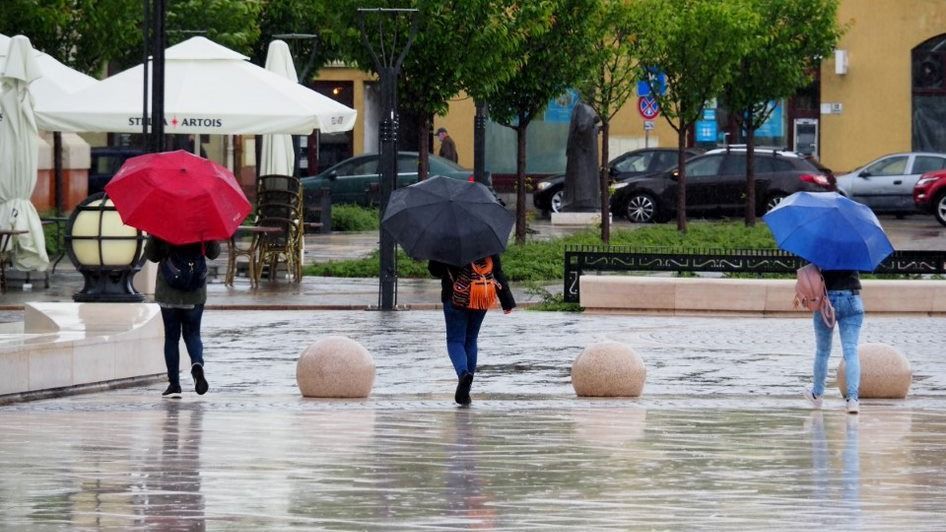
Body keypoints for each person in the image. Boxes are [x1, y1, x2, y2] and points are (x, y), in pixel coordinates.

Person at [429, 254, 515, 406]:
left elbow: (435, 270)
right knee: (471, 339)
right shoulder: (487, 238)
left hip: (455, 297)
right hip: (481, 294)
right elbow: (497, 271)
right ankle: (466, 389)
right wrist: (507, 301)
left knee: (455, 340)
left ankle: (463, 374)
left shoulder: (448, 240)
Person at [145, 236, 221, 398]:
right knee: (193, 334)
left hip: (168, 291)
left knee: (172, 338)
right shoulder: (203, 224)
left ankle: (174, 384)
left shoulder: (162, 224)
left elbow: (151, 256)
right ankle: (197, 364)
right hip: (195, 292)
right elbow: (214, 253)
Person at [804, 269, 864, 414]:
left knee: (822, 351)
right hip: (852, 297)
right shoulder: (854, 247)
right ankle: (852, 400)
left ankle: (817, 394)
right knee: (851, 351)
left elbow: (810, 270)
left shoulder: (823, 247)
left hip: (825, 298)